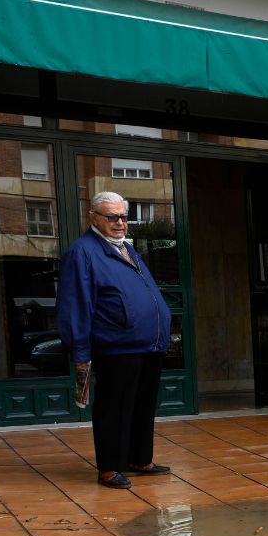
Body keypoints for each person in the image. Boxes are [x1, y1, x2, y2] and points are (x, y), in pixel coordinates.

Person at [56, 192, 173, 489]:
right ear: (93, 218)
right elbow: (75, 304)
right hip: (117, 345)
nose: (120, 223)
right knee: (114, 407)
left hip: (148, 343)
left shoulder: (127, 249)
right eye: (112, 217)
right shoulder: (82, 252)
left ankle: (138, 458)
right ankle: (109, 467)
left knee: (144, 405)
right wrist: (80, 350)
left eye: (123, 217)